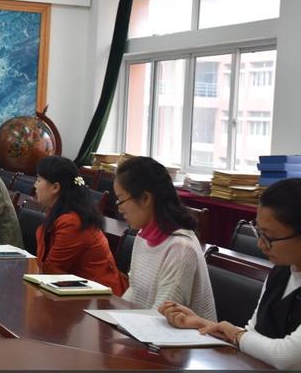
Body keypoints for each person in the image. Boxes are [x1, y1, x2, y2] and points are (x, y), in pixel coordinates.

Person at [160, 178, 301, 370]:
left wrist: (235, 334)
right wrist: (201, 323)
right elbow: (253, 335)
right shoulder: (280, 271)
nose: (260, 244)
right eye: (259, 232)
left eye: (270, 237)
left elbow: (287, 358)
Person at [114, 156, 216, 320]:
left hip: (178, 334)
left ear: (145, 198)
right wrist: (114, 319)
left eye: (121, 200)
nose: (119, 209)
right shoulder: (142, 235)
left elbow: (162, 315)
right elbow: (134, 291)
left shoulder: (181, 248)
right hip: (145, 328)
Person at [34, 156, 128, 295]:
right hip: (78, 292)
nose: (35, 185)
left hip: (101, 297)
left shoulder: (72, 222)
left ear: (55, 187)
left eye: (39, 180)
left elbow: (52, 270)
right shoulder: (60, 213)